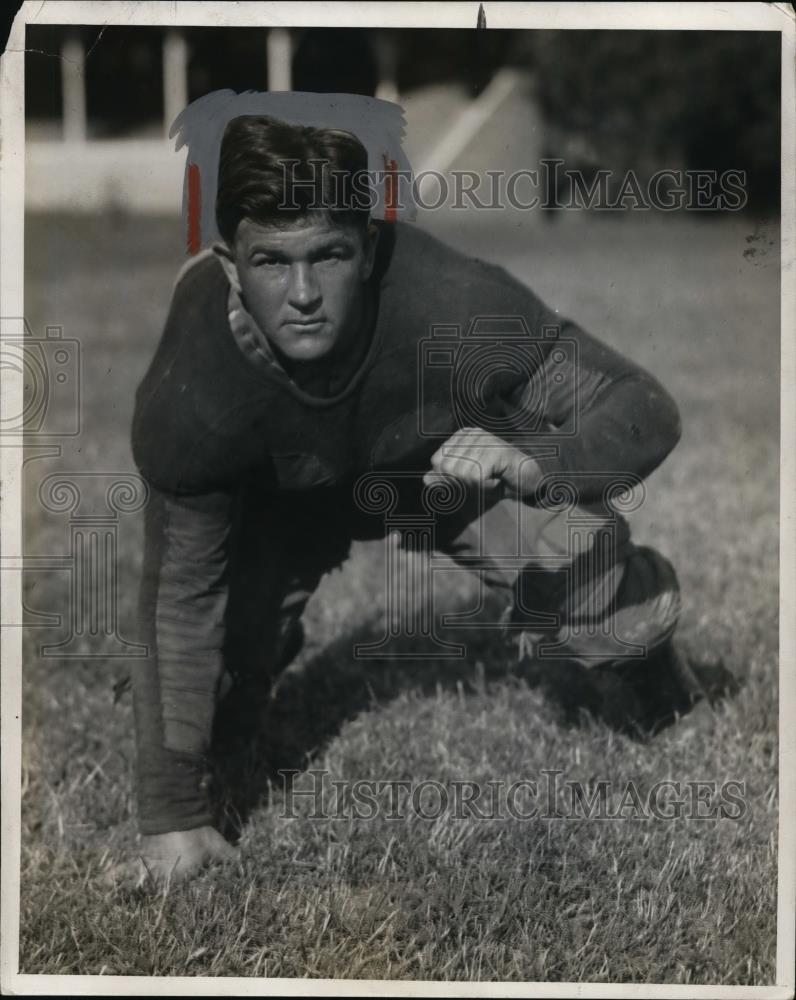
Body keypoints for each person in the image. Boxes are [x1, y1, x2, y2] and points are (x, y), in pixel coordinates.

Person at [124, 114, 732, 884]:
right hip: (281, 497)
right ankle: (236, 726)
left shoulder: (455, 303)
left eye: (330, 255)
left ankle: (656, 685)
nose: (304, 294)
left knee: (589, 577)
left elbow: (642, 403)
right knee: (204, 687)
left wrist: (536, 459)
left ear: (371, 246)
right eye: (272, 261)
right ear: (229, 264)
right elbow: (178, 601)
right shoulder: (195, 387)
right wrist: (172, 816)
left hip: (437, 469)